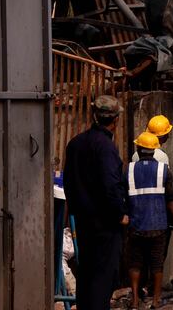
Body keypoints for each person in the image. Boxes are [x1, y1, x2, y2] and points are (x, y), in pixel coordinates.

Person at [63, 95, 129, 310]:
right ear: (116, 120)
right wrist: (120, 214)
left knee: (87, 274)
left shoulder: (75, 144)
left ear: (94, 115)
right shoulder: (105, 147)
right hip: (105, 225)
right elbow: (110, 186)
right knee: (103, 278)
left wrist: (76, 210)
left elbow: (69, 183)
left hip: (83, 222)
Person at [126, 131, 173, 310]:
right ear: (155, 150)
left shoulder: (128, 169)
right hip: (158, 225)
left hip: (136, 225)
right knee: (157, 264)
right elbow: (171, 199)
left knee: (135, 263)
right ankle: (156, 300)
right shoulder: (163, 170)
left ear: (138, 149)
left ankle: (135, 300)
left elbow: (121, 196)